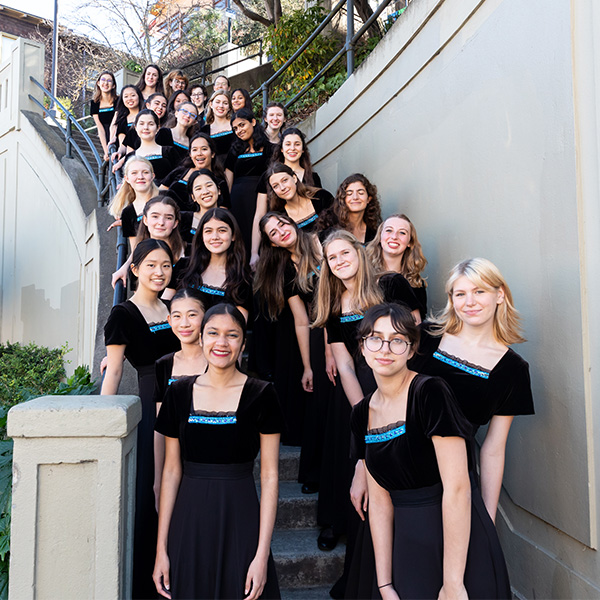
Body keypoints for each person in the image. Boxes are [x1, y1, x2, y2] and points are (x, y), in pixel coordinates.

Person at [351, 302, 512, 599]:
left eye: (397, 340)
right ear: (362, 347)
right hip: (405, 546)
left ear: (412, 350)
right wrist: (385, 583)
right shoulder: (362, 413)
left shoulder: (430, 392)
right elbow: (379, 502)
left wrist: (452, 582)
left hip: (454, 542)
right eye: (374, 338)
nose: (385, 348)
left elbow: (458, 487)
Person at [311, 230, 420, 593]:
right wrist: (365, 412)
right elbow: (343, 366)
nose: (340, 260)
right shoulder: (331, 304)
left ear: (359, 252)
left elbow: (414, 339)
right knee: (364, 477)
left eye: (345, 252)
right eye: (332, 257)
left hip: (401, 384)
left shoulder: (390, 285)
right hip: (360, 392)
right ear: (326, 265)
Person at [153, 303, 282, 600]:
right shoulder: (179, 393)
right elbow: (171, 472)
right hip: (189, 522)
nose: (221, 343)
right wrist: (161, 549)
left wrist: (261, 555)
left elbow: (271, 475)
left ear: (243, 343)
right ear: (200, 339)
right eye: (213, 333)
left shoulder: (262, 394)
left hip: (241, 518)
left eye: (232, 335)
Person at [408, 257, 535, 523]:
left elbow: (493, 448)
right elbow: (382, 403)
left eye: (479, 291)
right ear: (452, 299)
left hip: (454, 480)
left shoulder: (513, 369)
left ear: (499, 295)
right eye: (461, 294)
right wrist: (364, 466)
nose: (470, 302)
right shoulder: (425, 336)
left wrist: (487, 516)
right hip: (399, 464)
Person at [102, 238, 180, 599]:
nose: (159, 272)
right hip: (153, 401)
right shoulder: (123, 314)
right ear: (134, 269)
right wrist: (102, 422)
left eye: (165, 265)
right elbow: (114, 371)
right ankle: (154, 583)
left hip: (189, 397)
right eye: (150, 265)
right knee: (156, 487)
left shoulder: (174, 308)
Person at [255, 212, 334, 485]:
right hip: (319, 330)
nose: (280, 232)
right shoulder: (287, 269)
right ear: (273, 243)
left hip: (349, 322)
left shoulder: (323, 242)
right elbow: (301, 321)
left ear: (292, 223)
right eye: (273, 233)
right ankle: (318, 472)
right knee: (321, 404)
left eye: (282, 224)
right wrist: (308, 366)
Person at [153, 288, 207, 507]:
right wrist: (158, 479)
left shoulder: (219, 361)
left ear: (206, 317)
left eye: (192, 315)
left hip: (209, 464)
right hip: (174, 465)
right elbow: (160, 429)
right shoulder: (164, 365)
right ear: (169, 320)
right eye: (177, 316)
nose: (184, 323)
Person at [168, 207, 252, 319]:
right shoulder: (183, 266)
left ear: (233, 236)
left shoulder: (242, 279)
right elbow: (166, 308)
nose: (215, 237)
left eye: (222, 230)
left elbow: (238, 326)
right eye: (208, 231)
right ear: (201, 237)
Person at [225, 107, 273, 252]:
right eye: (235, 128)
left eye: (242, 125)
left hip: (261, 198)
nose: (239, 130)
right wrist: (226, 204)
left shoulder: (269, 148)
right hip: (237, 201)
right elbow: (228, 180)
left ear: (253, 122)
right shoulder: (234, 150)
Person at [111, 195, 184, 289]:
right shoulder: (138, 259)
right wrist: (125, 267)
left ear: (175, 223)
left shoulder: (187, 251)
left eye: (168, 218)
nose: (161, 222)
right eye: (155, 216)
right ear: (145, 220)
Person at [367, 214, 428, 320]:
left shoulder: (417, 284)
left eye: (402, 233)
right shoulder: (364, 273)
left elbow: (418, 326)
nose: (394, 236)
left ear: (410, 242)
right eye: (389, 230)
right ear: (380, 238)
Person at [159, 133, 230, 212]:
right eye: (195, 150)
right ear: (190, 154)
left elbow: (222, 212)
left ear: (212, 153)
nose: (199, 153)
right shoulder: (179, 172)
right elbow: (160, 193)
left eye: (204, 149)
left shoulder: (220, 182)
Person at [316, 173, 382, 244]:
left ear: (369, 199)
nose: (355, 197)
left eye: (361, 193)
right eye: (349, 194)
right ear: (343, 199)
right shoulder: (330, 229)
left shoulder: (374, 233)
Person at [115, 109, 176, 184]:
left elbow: (177, 176)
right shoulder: (130, 157)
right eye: (141, 124)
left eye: (151, 124)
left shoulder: (169, 151)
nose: (146, 127)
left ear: (158, 128)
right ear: (135, 127)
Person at [107, 157, 158, 244]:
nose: (140, 177)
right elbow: (135, 248)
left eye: (145, 172)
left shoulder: (166, 197)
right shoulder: (128, 212)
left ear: (152, 176)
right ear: (127, 179)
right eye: (134, 173)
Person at [176, 169, 223, 248]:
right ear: (193, 197)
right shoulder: (183, 220)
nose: (205, 191)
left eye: (209, 185)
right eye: (198, 188)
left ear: (218, 190)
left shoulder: (228, 219)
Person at [201, 90, 234, 170]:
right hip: (215, 171)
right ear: (211, 104)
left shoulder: (235, 125)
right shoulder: (204, 130)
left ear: (229, 107)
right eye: (218, 102)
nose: (221, 106)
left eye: (225, 103)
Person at [90, 70, 117, 161]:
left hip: (117, 134)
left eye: (109, 81)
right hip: (104, 136)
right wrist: (106, 151)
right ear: (98, 83)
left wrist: (112, 142)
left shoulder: (118, 101)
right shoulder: (94, 103)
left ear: (113, 85)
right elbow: (100, 128)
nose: (106, 83)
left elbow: (115, 124)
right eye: (103, 80)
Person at [111, 85, 143, 162]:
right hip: (130, 158)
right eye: (126, 96)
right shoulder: (122, 120)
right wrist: (119, 152)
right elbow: (123, 144)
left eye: (133, 95)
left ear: (139, 96)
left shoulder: (146, 115)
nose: (129, 99)